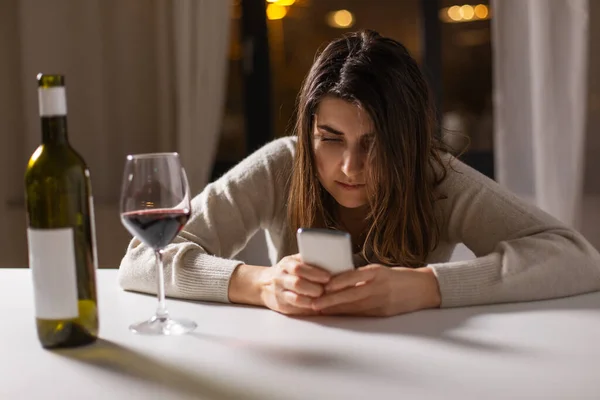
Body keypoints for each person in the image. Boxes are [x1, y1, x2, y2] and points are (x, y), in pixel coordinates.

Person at [118, 30, 600, 317]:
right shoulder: (283, 164)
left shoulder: (437, 178)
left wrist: (428, 286)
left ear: (407, 142)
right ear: (309, 133)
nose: (350, 168)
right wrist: (261, 284)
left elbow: (578, 257)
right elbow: (140, 261)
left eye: (374, 143)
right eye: (331, 138)